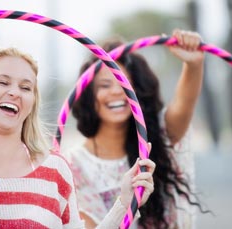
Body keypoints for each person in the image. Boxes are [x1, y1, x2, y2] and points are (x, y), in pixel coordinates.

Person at [0, 47, 156, 228]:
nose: (14, 92)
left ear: (32, 101)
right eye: (3, 81)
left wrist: (124, 203)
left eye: (25, 87)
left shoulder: (55, 169)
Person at [67, 29, 207, 229]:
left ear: (138, 92)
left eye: (125, 84)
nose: (116, 91)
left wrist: (194, 64)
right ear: (90, 96)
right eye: (105, 85)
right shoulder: (74, 167)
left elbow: (185, 102)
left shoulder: (159, 137)